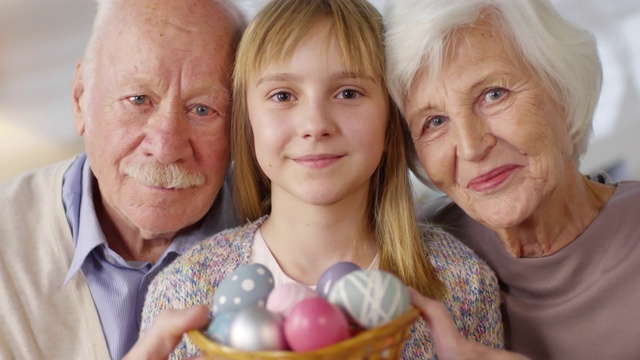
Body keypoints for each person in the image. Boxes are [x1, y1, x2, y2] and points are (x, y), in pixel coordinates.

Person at [140, 0, 504, 358]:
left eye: (348, 93)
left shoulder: (460, 282)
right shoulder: (184, 291)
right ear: (247, 122)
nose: (315, 125)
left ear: (390, 120)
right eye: (282, 95)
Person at [384, 0, 640, 358]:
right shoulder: (420, 256)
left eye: (493, 94)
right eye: (435, 122)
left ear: (562, 88)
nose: (471, 147)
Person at [0, 0, 244, 358]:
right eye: (139, 99)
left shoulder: (288, 235)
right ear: (81, 99)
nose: (165, 147)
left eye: (203, 109)